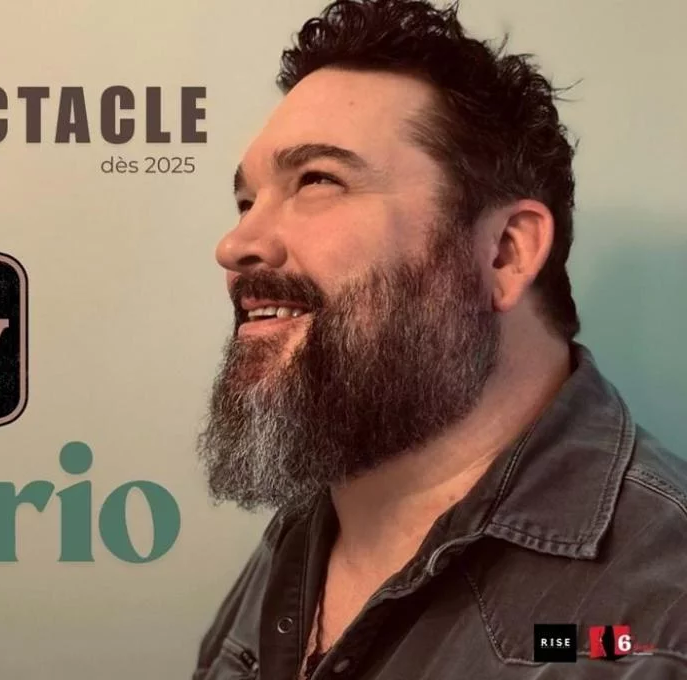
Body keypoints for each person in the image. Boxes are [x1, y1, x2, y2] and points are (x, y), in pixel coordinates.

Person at [192, 0, 687, 678]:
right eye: (247, 201)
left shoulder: (654, 624)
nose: (235, 244)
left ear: (505, 252)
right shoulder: (307, 525)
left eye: (317, 180)